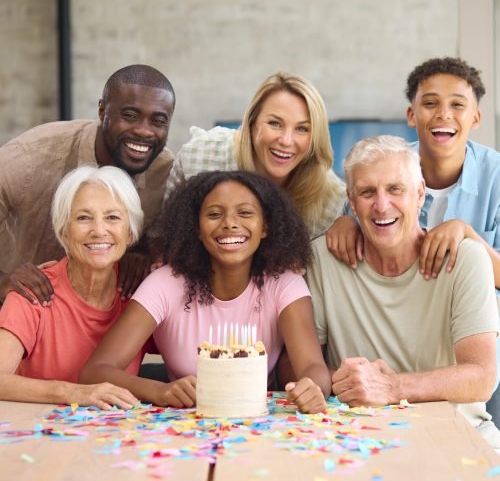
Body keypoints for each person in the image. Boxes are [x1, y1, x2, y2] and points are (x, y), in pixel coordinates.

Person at [326, 56, 500, 422]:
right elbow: (368, 208)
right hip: (417, 338)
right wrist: (343, 221)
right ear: (411, 114)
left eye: (457, 104)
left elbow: (481, 372)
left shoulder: (495, 177)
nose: (443, 114)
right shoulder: (388, 161)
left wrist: (468, 234)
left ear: (476, 118)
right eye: (430, 103)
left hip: (478, 336)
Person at [80, 170, 331, 413]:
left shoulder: (284, 283)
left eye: (245, 213)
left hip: (258, 428)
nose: (230, 224)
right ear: (196, 229)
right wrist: (159, 391)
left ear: (265, 226)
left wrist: (313, 388)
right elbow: (95, 371)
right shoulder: (164, 283)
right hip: (181, 429)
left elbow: (312, 366)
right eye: (214, 214)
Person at [308, 135, 500, 448]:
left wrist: (392, 387)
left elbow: (481, 378)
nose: (382, 205)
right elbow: (296, 363)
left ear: (420, 194)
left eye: (395, 189)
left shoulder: (467, 259)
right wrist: (347, 383)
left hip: (460, 437)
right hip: (357, 441)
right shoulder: (323, 259)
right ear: (351, 202)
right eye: (368, 192)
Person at [0, 64, 176, 306]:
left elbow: (161, 235)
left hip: (98, 311)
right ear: (102, 111)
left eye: (158, 121)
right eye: (130, 116)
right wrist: (3, 281)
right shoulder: (32, 157)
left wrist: (141, 253)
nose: (144, 131)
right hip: (17, 303)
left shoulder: (164, 169)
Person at [0, 166, 144, 409]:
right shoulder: (33, 291)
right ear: (64, 232)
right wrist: (73, 392)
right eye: (83, 218)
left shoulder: (142, 294)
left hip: (120, 439)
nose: (99, 231)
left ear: (129, 232)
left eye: (112, 217)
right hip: (39, 436)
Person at [160, 72, 345, 239]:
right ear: (251, 123)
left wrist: (348, 225)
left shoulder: (329, 198)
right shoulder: (200, 157)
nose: (287, 141)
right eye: (275, 123)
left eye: (302, 129)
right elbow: (163, 235)